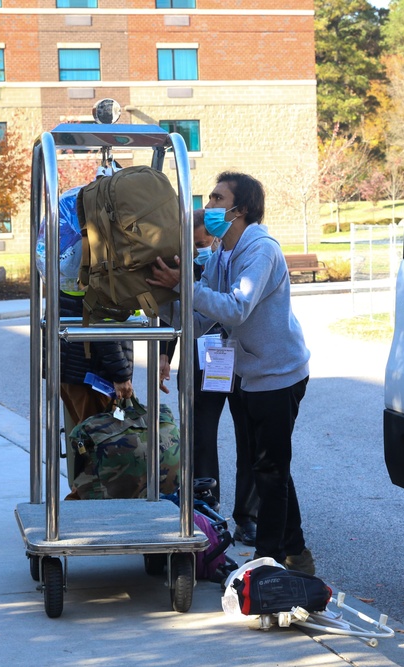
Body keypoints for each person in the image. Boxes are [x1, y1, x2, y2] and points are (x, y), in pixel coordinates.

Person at [148, 171, 314, 574]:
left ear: (240, 210)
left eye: (218, 198)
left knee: (270, 468)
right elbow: (204, 319)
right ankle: (298, 551)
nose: (209, 206)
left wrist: (185, 284)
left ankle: (267, 563)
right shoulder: (222, 250)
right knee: (270, 464)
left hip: (279, 373)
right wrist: (164, 304)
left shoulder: (261, 250)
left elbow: (236, 307)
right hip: (250, 373)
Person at [157, 209, 260, 546]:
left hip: (240, 358)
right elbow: (175, 311)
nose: (204, 248)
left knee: (249, 438)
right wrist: (163, 354)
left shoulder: (241, 258)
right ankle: (206, 505)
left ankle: (248, 516)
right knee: (201, 435)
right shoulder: (181, 264)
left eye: (207, 242)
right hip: (204, 358)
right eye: (197, 244)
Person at [35, 167, 134, 497]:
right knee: (100, 445)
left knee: (81, 440)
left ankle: (83, 502)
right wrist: (121, 374)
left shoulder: (63, 250)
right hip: (93, 370)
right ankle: (86, 508)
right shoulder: (94, 250)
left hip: (70, 367)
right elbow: (100, 318)